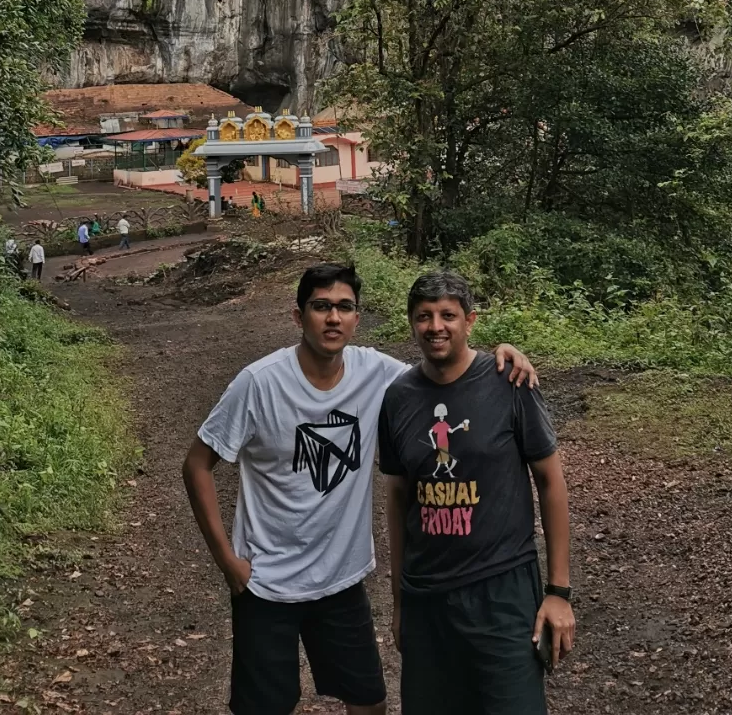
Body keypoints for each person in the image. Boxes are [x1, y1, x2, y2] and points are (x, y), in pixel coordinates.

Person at [182, 263, 537, 715]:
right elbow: (197, 465)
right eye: (321, 307)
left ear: (357, 318)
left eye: (344, 307)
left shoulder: (379, 374)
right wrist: (227, 562)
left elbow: (442, 367)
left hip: (341, 580)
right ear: (299, 317)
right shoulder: (259, 383)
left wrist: (500, 358)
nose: (333, 318)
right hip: (267, 583)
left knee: (369, 703)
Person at [379, 269, 575, 715]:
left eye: (448, 315)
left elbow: (551, 481)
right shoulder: (398, 398)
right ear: (411, 322)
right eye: (424, 316)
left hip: (502, 592)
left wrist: (558, 593)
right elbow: (397, 499)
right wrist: (399, 603)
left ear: (470, 320)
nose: (435, 327)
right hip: (427, 599)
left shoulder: (510, 383)